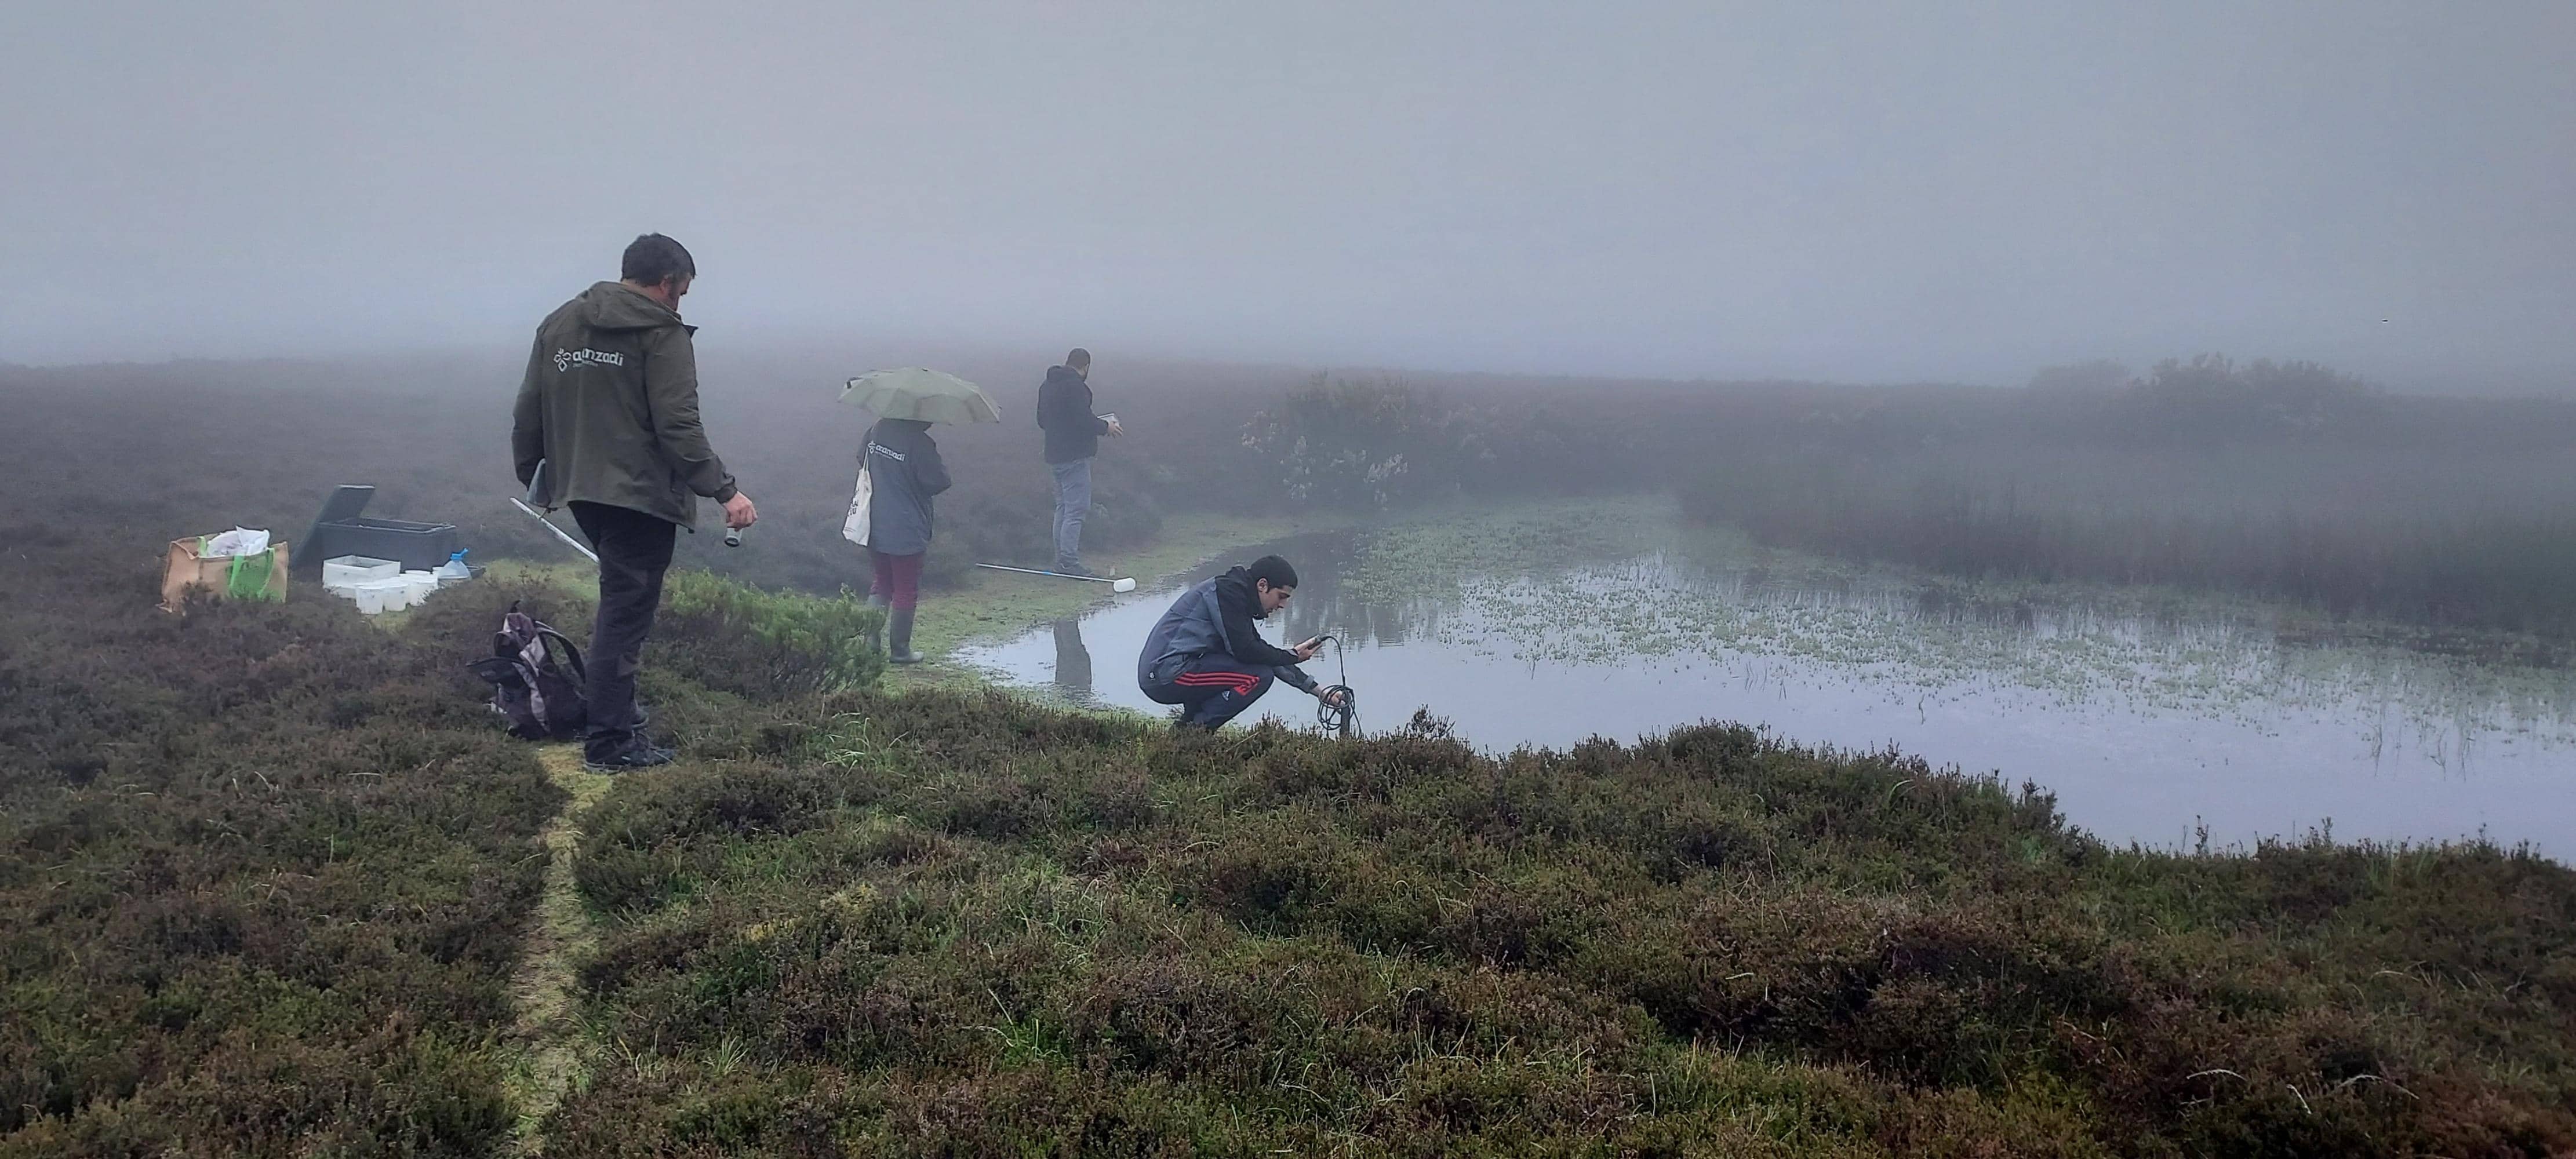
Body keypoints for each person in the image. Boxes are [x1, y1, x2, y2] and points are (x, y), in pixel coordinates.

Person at [512, 233, 756, 771]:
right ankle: (610, 744)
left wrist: (539, 478)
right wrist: (724, 489)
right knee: (624, 619)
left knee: (618, 607)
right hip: (639, 497)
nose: (680, 303)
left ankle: (620, 722)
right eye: (682, 291)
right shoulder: (660, 332)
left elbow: (528, 409)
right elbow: (678, 425)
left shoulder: (559, 323)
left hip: (582, 490)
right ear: (667, 282)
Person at [1136, 555, 1348, 730]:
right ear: (1262, 585)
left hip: (1170, 671)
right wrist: (1291, 655)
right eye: (1281, 596)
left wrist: (1319, 691)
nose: (1282, 605)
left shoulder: (1235, 595)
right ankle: (1194, 733)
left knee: (1245, 666)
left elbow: (1258, 651)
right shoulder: (1226, 594)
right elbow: (1247, 651)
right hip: (1165, 674)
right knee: (1258, 677)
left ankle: (1187, 728)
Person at [863, 415, 950, 664]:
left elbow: (862, 459)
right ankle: (901, 651)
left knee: (882, 582)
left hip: (875, 520)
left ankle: (869, 646)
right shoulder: (920, 443)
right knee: (905, 587)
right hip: (907, 526)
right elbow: (938, 482)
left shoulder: (875, 430)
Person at [1035, 347, 1122, 575]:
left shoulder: (1047, 385)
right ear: (1086, 366)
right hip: (1075, 456)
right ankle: (1069, 562)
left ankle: (1061, 560)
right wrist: (1106, 427)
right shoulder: (1076, 387)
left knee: (1063, 508)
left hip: (1054, 456)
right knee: (1076, 510)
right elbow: (1083, 421)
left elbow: (1042, 421)